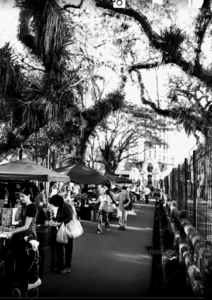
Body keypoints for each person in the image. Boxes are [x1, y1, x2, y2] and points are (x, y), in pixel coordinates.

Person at [6, 188, 38, 292]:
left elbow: (26, 226)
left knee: (24, 263)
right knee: (19, 261)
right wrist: (19, 208)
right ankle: (21, 283)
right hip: (21, 237)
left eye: (23, 196)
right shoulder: (24, 206)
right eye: (20, 196)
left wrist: (11, 232)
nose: (21, 198)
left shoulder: (32, 207)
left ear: (29, 195)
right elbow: (16, 219)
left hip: (29, 237)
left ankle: (27, 285)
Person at [49, 194, 74, 274]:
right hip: (61, 230)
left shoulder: (66, 206)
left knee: (67, 249)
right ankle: (61, 266)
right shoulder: (61, 206)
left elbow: (70, 217)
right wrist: (55, 221)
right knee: (60, 248)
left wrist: (60, 223)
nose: (54, 205)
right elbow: (59, 217)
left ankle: (67, 266)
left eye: (54, 203)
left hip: (67, 230)